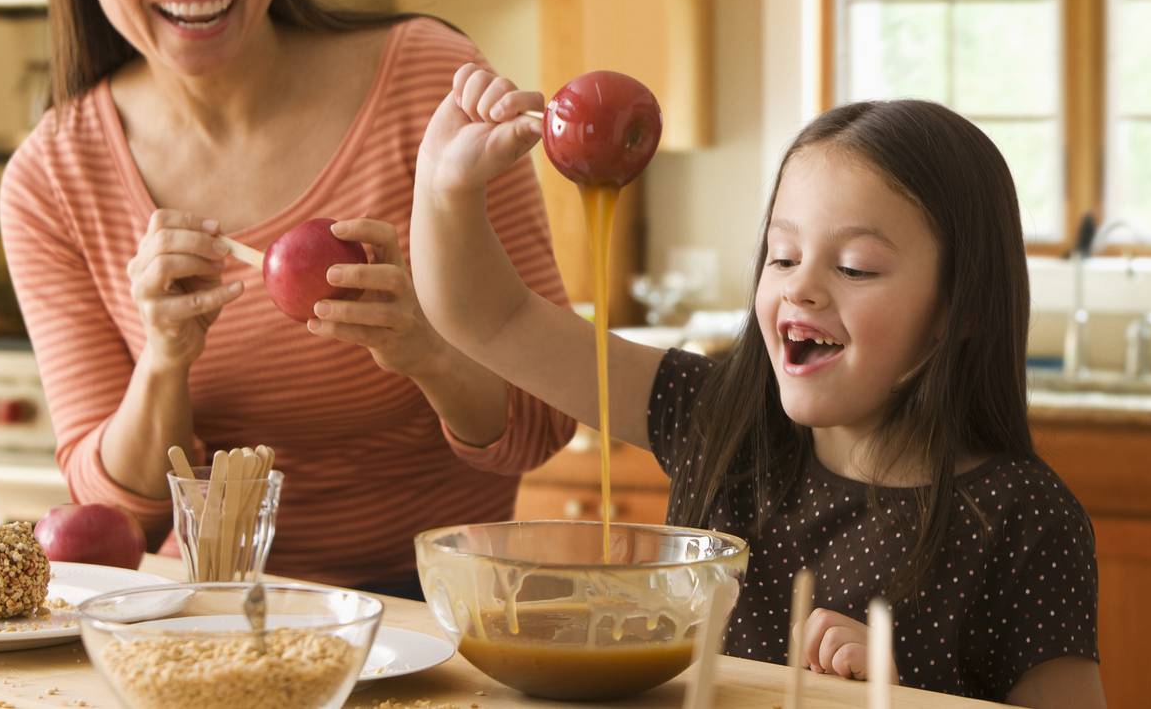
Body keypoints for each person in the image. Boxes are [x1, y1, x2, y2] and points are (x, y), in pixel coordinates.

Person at [408, 64, 1108, 705]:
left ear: (959, 312)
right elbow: (491, 320)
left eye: (857, 267)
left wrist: (901, 696)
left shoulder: (1025, 521)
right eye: (782, 255)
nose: (801, 287)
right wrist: (448, 187)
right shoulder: (717, 420)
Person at [0, 0, 575, 596]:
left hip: (448, 616)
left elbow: (542, 423)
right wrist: (165, 359)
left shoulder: (429, 87)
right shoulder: (51, 180)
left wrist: (423, 350)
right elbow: (117, 520)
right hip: (212, 617)